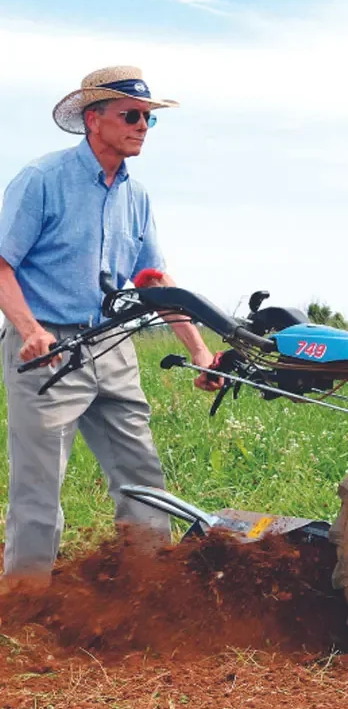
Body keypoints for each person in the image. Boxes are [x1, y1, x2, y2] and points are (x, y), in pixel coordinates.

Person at [0, 65, 223, 580]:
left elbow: (151, 281)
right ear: (93, 119)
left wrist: (198, 350)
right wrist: (30, 329)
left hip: (112, 346)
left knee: (141, 472)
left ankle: (146, 588)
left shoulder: (135, 196)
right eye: (132, 115)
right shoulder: (41, 181)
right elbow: (3, 264)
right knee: (39, 486)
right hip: (47, 349)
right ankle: (27, 607)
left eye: (148, 118)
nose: (142, 126)